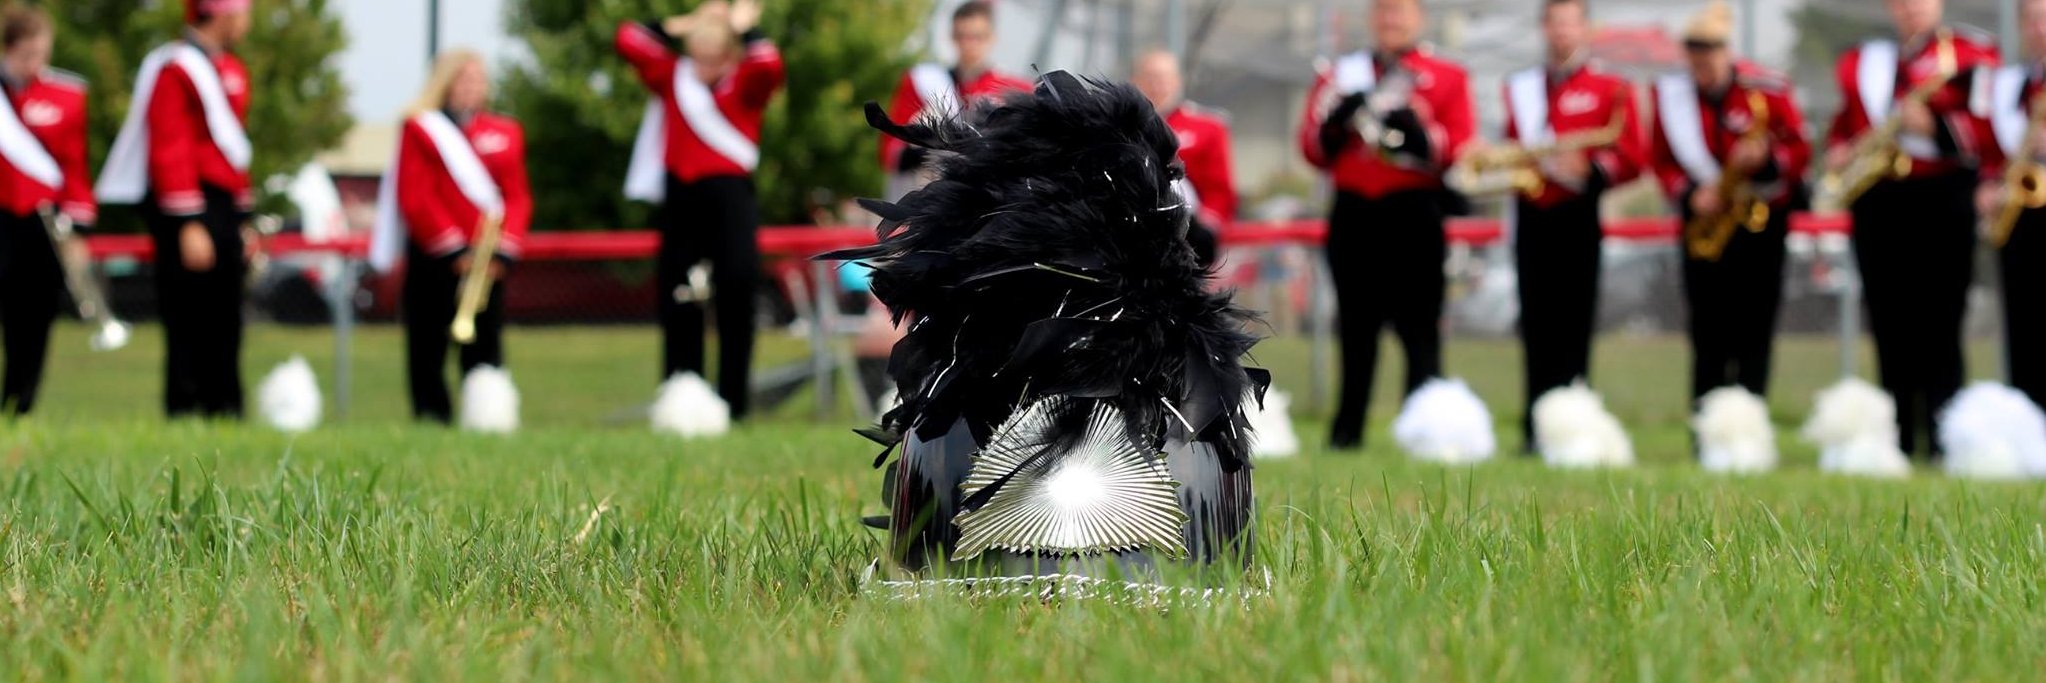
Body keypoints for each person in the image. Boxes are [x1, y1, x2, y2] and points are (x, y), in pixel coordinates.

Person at [1297, 0, 1475, 451]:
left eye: (1401, 11)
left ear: (1420, 18)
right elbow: (1311, 148)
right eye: (1383, 10)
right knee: (1355, 328)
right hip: (1354, 212)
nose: (1391, 19)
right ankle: (1346, 433)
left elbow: (1461, 146)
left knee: (1420, 329)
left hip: (1414, 211)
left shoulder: (1447, 76)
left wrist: (1421, 134)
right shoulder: (1341, 74)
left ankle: (1427, 432)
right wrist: (1335, 125)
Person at [1824, 0, 1997, 456]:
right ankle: (1898, 433)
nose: (1912, 9)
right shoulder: (1864, 61)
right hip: (1879, 200)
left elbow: (1986, 127)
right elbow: (1845, 122)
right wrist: (1839, 149)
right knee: (1889, 318)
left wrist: (1937, 128)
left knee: (1942, 318)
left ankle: (1944, 435)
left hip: (1943, 197)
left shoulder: (1970, 54)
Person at [616, 0, 784, 421]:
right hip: (682, 196)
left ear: (729, 53)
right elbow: (628, 40)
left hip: (731, 197)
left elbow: (770, 66)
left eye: (714, 56)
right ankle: (680, 391)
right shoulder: (674, 76)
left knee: (736, 291)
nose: (705, 66)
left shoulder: (744, 79)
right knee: (679, 294)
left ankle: (733, 403)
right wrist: (684, 23)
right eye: (699, 55)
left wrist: (744, 27)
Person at [95, 0, 257, 419]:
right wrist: (188, 222)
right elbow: (170, 145)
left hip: (223, 203)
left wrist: (243, 217)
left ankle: (226, 409)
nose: (248, 21)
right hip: (187, 204)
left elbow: (233, 152)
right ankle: (184, 408)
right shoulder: (175, 68)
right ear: (223, 14)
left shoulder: (232, 68)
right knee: (187, 315)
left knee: (226, 315)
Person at [1648, 1, 1810, 405]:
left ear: (1727, 51)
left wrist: (1765, 160)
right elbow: (1661, 161)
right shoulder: (1672, 96)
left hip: (1760, 224)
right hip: (1705, 225)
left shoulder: (1765, 90)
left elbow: (1798, 149)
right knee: (1707, 332)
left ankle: (1750, 416)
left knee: (1755, 329)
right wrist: (1690, 193)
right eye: (1695, 53)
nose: (1703, 62)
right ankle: (1706, 418)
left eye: (1711, 51)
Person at [1501, 0, 1645, 452]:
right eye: (1555, 23)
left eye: (1571, 23)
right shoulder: (1522, 87)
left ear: (1586, 29)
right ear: (1544, 28)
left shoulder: (1610, 87)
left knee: (1574, 324)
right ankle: (1534, 429)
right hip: (1531, 215)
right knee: (1535, 324)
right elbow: (1511, 141)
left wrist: (1588, 168)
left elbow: (1633, 156)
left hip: (1578, 216)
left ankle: (1574, 428)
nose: (1562, 32)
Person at [368, 50, 533, 424]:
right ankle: (431, 417)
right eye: (463, 78)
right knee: (427, 342)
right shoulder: (420, 128)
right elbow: (416, 196)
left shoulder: (505, 131)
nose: (471, 86)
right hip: (437, 255)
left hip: (488, 256)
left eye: (478, 79)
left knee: (486, 342)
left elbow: (517, 196)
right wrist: (453, 249)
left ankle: (488, 417)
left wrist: (502, 250)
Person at [0, 4, 93, 416]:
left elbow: (75, 165)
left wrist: (80, 228)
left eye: (41, 53)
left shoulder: (66, 95)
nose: (35, 64)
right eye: (26, 55)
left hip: (43, 222)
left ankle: (20, 405)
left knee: (34, 317)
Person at [879, 0, 1030, 199]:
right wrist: (923, 141)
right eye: (962, 36)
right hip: (925, 192)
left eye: (977, 37)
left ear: (992, 38)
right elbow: (890, 154)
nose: (969, 44)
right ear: (952, 37)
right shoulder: (922, 82)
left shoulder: (1011, 91)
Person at [1976, 0, 2046, 409]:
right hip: (2019, 215)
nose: (2040, 28)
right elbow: (1988, 147)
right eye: (2032, 20)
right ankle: (2028, 420)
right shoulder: (2011, 84)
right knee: (2023, 328)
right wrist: (1987, 185)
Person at [1134, 49, 1236, 268]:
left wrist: (1206, 228)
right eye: (1150, 78)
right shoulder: (1123, 128)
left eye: (1164, 78)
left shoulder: (1207, 127)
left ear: (1177, 81)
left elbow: (1219, 190)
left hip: (1187, 233)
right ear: (1135, 81)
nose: (1157, 86)